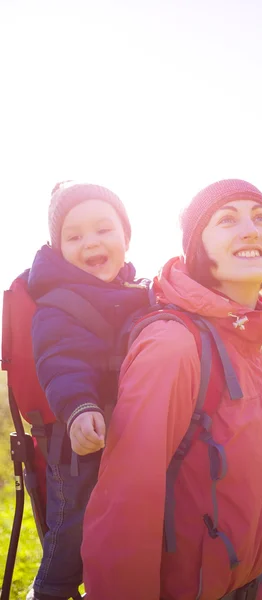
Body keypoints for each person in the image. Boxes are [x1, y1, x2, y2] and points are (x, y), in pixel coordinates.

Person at [82, 178, 262, 600]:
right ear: (197, 246)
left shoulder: (244, 334)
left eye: (261, 218)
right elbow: (125, 506)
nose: (250, 229)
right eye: (227, 219)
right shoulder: (173, 345)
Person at [27, 181, 149, 600]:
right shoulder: (56, 306)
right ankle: (50, 591)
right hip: (80, 445)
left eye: (103, 229)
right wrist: (79, 407)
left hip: (134, 437)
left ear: (126, 238)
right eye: (73, 236)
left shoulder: (141, 295)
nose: (90, 242)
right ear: (58, 248)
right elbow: (60, 362)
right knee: (72, 533)